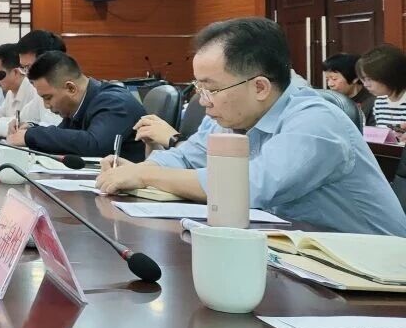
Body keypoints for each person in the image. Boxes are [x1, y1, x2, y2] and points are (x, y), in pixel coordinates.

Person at [97, 18, 406, 236]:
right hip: (302, 258)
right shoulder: (231, 114)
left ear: (259, 87)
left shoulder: (316, 121)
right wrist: (135, 169)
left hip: (375, 275)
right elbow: (188, 156)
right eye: (199, 87)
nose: (203, 101)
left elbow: (246, 188)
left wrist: (147, 175)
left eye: (210, 88)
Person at [8, 51, 146, 160]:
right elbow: (64, 140)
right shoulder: (80, 105)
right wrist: (31, 129)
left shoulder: (114, 102)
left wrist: (32, 135)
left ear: (71, 88)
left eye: (48, 98)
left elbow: (94, 145)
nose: (46, 105)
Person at [355, 45, 406, 132]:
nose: (366, 84)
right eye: (363, 79)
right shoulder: (380, 101)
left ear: (389, 75)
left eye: (369, 79)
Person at [322, 53, 375, 126]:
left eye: (334, 79)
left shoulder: (373, 103)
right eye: (327, 79)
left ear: (354, 78)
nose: (330, 84)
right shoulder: (329, 101)